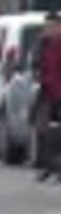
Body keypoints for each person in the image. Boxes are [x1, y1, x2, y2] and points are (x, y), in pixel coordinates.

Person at [33, 12, 61, 181]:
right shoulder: (42, 44)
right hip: (46, 92)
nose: (48, 30)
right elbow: (36, 64)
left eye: (52, 26)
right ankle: (48, 165)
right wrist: (37, 73)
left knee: (57, 132)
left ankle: (56, 166)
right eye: (46, 27)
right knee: (43, 130)